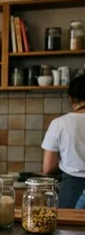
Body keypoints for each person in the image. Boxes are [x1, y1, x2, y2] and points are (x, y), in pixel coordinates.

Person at [42, 74, 85, 208]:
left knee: (68, 228)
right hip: (73, 187)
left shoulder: (59, 124)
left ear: (71, 99)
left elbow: (48, 168)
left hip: (73, 189)